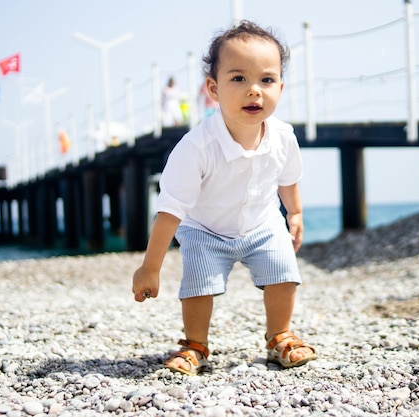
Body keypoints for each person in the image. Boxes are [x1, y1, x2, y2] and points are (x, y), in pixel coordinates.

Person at [132, 20, 317, 375]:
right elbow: (170, 210)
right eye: (238, 79)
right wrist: (150, 267)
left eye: (266, 80)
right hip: (205, 228)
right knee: (199, 285)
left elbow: (289, 179)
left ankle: (280, 336)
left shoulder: (283, 136)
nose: (254, 91)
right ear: (213, 89)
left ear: (280, 85)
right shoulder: (197, 147)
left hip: (263, 224)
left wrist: (294, 214)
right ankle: (195, 345)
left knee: (284, 274)